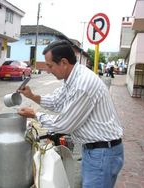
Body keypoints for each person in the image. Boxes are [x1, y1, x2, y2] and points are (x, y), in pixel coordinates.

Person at [18, 40, 124, 188]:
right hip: (96, 150)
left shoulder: (82, 84)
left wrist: (35, 115)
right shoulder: (72, 78)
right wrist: (32, 96)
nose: (48, 70)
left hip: (102, 153)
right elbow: (56, 101)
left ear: (63, 62)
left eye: (50, 66)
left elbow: (64, 125)